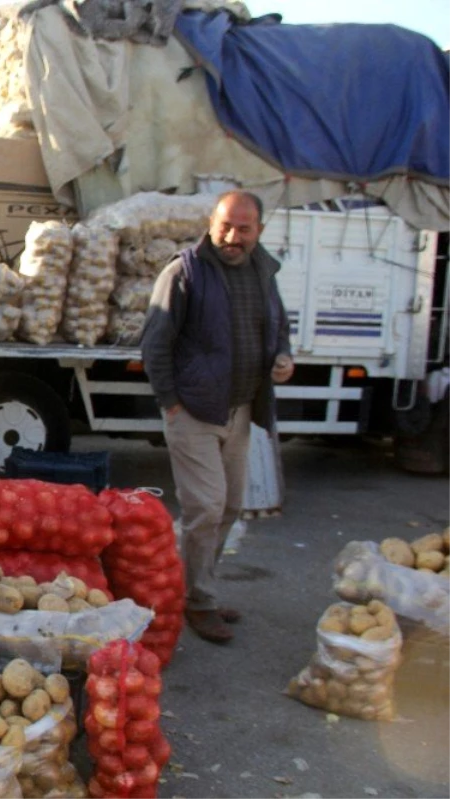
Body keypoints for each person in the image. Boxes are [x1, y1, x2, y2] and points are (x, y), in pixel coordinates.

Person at [141, 190, 294, 644]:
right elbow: (155, 343)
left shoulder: (264, 272)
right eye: (225, 225)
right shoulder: (184, 271)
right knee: (204, 506)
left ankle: (196, 588)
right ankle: (197, 602)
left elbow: (279, 327)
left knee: (228, 507)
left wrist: (283, 357)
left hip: (241, 408)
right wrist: (170, 402)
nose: (232, 236)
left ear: (258, 232)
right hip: (193, 411)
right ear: (212, 223)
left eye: (243, 229)